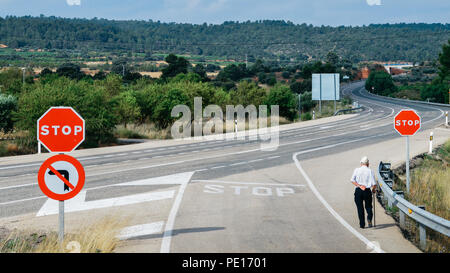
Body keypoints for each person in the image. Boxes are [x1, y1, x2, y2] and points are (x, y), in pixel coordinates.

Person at [350, 156, 377, 228]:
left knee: (360, 208)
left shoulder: (356, 170)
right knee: (368, 207)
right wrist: (373, 190)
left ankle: (362, 224)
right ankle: (369, 218)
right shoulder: (370, 171)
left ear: (361, 163)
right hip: (367, 191)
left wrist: (359, 185)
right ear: (368, 164)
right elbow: (374, 184)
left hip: (358, 190)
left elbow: (352, 180)